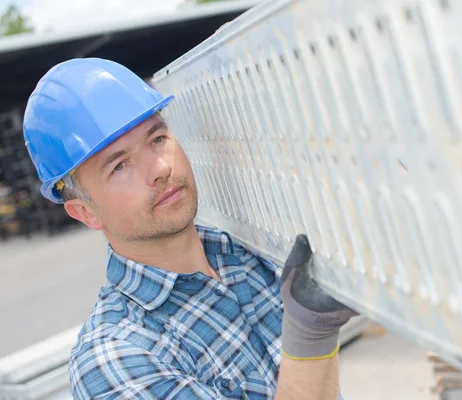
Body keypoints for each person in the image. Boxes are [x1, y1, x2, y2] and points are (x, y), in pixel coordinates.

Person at [23, 58, 358, 399]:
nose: (160, 167)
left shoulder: (249, 250)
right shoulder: (115, 358)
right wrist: (309, 333)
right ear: (84, 212)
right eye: (120, 165)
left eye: (157, 139)